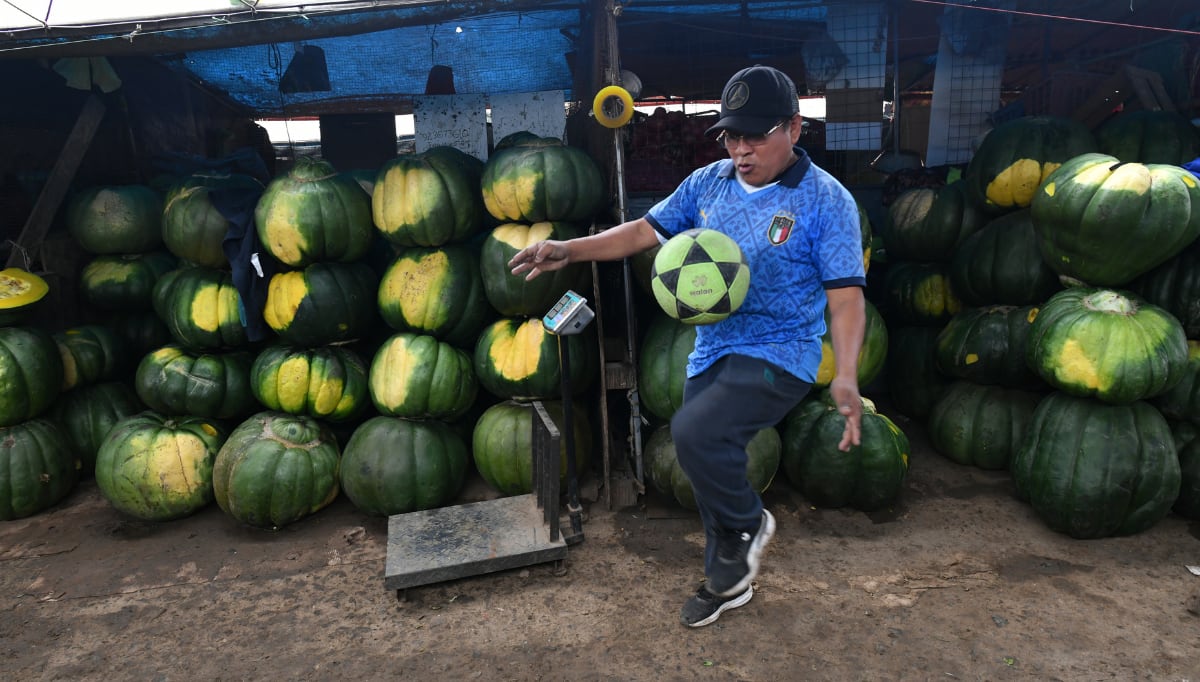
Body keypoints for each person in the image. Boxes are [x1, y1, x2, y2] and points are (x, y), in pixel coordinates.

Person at [509, 64, 866, 628]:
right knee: (703, 464)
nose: (741, 148)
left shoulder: (827, 200)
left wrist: (845, 373)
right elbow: (642, 232)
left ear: (795, 129)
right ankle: (729, 581)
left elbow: (845, 298)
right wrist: (569, 250)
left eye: (756, 135)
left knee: (694, 433)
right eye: (731, 135)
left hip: (783, 351)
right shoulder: (708, 184)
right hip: (712, 348)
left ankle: (750, 523)